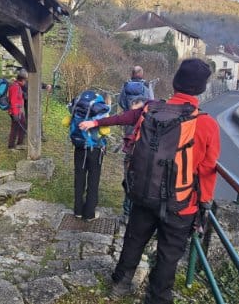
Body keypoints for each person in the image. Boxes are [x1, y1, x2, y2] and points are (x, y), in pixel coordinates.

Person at [79, 58, 220, 304]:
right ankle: (156, 298)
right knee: (168, 254)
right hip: (181, 203)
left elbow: (125, 117)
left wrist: (96, 122)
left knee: (134, 240)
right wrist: (205, 203)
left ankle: (120, 285)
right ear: (200, 89)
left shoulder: (150, 109)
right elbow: (208, 170)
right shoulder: (207, 124)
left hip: (145, 192)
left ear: (175, 83)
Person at [117, 65, 156, 221]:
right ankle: (135, 212)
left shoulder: (126, 86)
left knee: (128, 170)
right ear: (142, 74)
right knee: (140, 172)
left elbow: (120, 101)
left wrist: (129, 111)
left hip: (129, 129)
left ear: (132, 74)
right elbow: (152, 105)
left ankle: (126, 211)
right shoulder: (146, 87)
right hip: (143, 133)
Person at [66, 90, 111, 221]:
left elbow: (68, 120)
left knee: (79, 178)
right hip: (95, 149)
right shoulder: (101, 110)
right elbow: (105, 130)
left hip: (79, 147)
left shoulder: (79, 107)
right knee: (93, 180)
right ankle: (89, 213)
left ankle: (78, 210)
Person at [7, 69, 28, 150]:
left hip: (19, 111)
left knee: (22, 125)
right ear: (22, 80)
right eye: (25, 81)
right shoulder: (15, 87)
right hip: (15, 112)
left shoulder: (17, 86)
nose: (25, 82)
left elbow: (18, 97)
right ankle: (11, 146)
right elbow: (13, 101)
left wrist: (23, 95)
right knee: (15, 128)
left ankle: (20, 143)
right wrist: (15, 114)